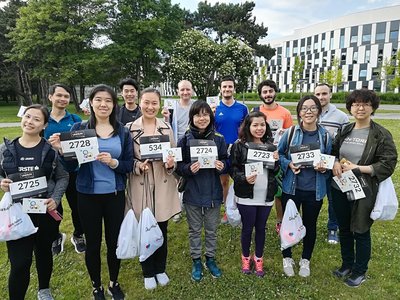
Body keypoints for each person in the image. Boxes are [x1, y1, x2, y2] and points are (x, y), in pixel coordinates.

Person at [49, 84, 133, 300]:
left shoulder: (122, 131)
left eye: (108, 100)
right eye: (98, 100)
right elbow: (70, 168)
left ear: (114, 104)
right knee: (93, 244)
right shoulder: (80, 127)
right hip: (87, 196)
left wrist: (114, 162)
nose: (103, 104)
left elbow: (129, 164)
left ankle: (114, 282)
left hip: (114, 195)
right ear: (91, 103)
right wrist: (62, 151)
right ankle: (97, 286)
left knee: (114, 241)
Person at [0, 104, 69, 300]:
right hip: (17, 214)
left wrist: (55, 199)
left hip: (44, 211)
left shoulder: (49, 151)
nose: (30, 121)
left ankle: (44, 289)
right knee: (20, 263)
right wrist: (2, 183)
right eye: (28, 116)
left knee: (44, 253)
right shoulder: (6, 149)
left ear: (44, 125)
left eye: (36, 119)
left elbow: (63, 177)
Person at [331, 89, 397, 287]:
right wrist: (334, 162)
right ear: (350, 107)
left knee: (360, 229)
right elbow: (334, 151)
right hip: (340, 186)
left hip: (364, 189)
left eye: (365, 104)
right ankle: (347, 264)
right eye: (356, 104)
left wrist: (360, 168)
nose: (360, 108)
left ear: (372, 107)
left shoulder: (380, 134)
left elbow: (388, 163)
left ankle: (360, 271)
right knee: (344, 228)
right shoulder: (345, 130)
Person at [126, 88, 181, 290]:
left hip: (162, 183)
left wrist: (170, 164)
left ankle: (160, 268)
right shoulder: (129, 128)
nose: (150, 107)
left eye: (154, 103)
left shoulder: (166, 127)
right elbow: (126, 159)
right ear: (140, 103)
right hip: (140, 184)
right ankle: (147, 271)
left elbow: (173, 156)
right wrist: (137, 166)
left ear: (160, 105)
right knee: (144, 228)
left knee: (161, 228)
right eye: (146, 102)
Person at [278, 95, 332, 277]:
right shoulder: (291, 132)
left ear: (319, 111)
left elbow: (330, 161)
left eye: (313, 108)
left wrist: (324, 167)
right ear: (299, 112)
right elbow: (279, 154)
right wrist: (289, 164)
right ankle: (287, 256)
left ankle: (305, 260)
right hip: (291, 188)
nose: (308, 112)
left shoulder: (325, 135)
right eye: (304, 108)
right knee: (288, 223)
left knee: (310, 224)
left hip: (314, 190)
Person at [176, 100, 228, 282]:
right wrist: (188, 169)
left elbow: (226, 161)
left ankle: (210, 258)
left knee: (212, 230)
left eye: (205, 114)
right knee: (195, 230)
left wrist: (222, 165)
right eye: (198, 114)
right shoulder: (184, 140)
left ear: (211, 116)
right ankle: (196, 260)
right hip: (193, 193)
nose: (202, 118)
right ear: (192, 117)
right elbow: (178, 166)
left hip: (213, 193)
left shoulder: (219, 139)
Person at [229, 111, 279, 277]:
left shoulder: (271, 145)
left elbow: (275, 171)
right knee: (247, 228)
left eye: (262, 125)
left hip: (266, 195)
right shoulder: (240, 145)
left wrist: (276, 160)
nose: (259, 128)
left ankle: (258, 258)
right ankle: (245, 257)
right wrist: (244, 178)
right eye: (255, 125)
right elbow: (233, 169)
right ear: (248, 126)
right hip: (246, 195)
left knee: (261, 228)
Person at [44, 83, 86, 255]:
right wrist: (49, 145)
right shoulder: (43, 119)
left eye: (66, 96)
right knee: (54, 208)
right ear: (50, 97)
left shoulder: (75, 120)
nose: (62, 99)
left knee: (77, 207)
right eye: (59, 95)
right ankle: (55, 236)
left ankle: (78, 235)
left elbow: (84, 148)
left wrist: (63, 147)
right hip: (51, 175)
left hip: (73, 170)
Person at [252, 79, 294, 235]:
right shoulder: (255, 111)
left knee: (279, 192)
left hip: (277, 156)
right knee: (258, 187)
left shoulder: (285, 113)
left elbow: (290, 136)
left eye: (270, 91)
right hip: (259, 155)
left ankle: (280, 220)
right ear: (261, 94)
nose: (268, 94)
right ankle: (257, 220)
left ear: (275, 92)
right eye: (264, 92)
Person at [314, 83, 349, 244]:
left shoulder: (341, 117)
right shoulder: (311, 112)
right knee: (313, 198)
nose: (321, 97)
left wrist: (337, 161)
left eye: (324, 94)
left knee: (335, 199)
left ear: (330, 95)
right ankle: (308, 225)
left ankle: (333, 228)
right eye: (318, 94)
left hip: (333, 164)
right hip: (315, 165)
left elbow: (345, 143)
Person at [214, 75, 248, 223]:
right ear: (220, 89)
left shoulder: (242, 108)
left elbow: (247, 129)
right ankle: (226, 211)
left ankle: (241, 209)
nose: (227, 89)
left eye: (230, 86)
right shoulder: (214, 108)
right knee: (223, 182)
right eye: (224, 87)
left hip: (237, 150)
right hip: (220, 150)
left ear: (234, 89)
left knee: (240, 181)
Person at [162, 80, 194, 222]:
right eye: (182, 90)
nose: (185, 92)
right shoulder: (172, 106)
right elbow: (166, 126)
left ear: (192, 90)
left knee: (190, 174)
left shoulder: (196, 106)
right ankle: (176, 209)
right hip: (176, 145)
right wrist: (166, 118)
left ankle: (188, 205)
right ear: (177, 91)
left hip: (192, 146)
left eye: (188, 89)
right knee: (175, 177)